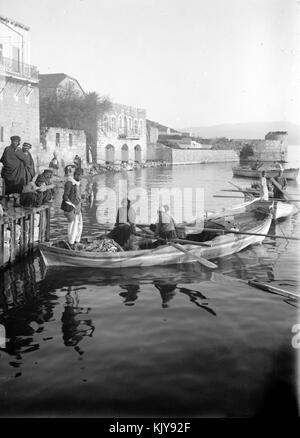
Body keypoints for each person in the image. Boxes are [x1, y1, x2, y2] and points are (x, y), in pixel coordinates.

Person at [61, 167, 83, 248]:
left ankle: (77, 241)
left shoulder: (77, 183)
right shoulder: (69, 183)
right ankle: (71, 243)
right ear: (76, 175)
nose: (81, 178)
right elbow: (65, 197)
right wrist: (73, 205)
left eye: (82, 176)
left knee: (79, 225)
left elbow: (77, 196)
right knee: (73, 225)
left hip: (78, 208)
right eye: (80, 176)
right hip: (71, 208)